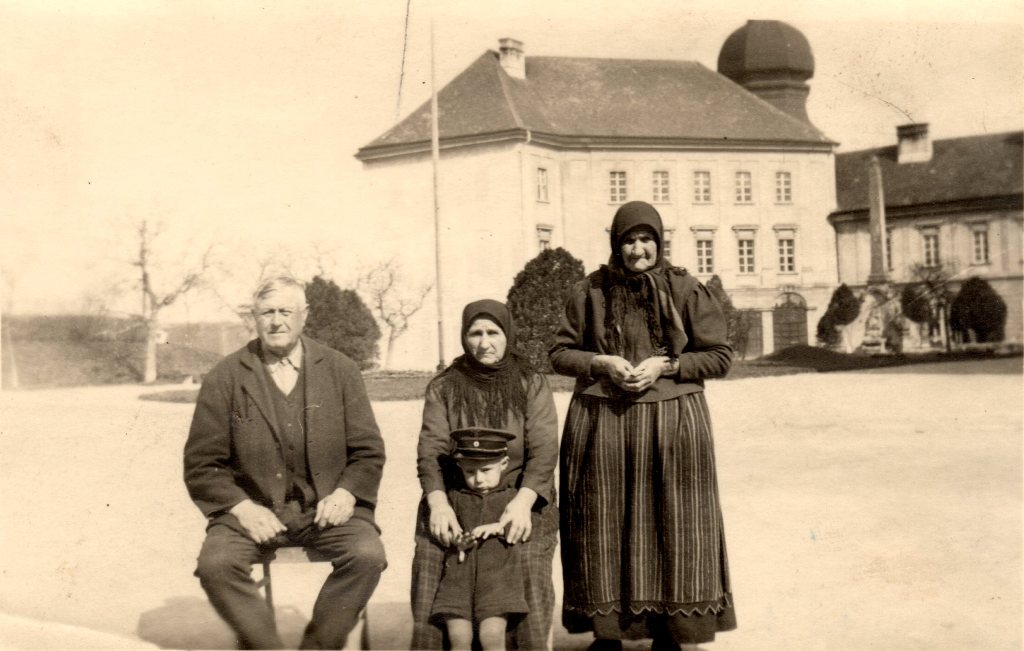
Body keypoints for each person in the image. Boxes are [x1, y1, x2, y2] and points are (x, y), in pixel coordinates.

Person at [550, 201, 736, 650]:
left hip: (673, 423)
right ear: (617, 243)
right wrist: (601, 361)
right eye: (629, 241)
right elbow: (558, 353)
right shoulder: (589, 291)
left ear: (659, 241)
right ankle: (607, 632)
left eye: (646, 240)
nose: (638, 250)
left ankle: (673, 632)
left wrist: (666, 365)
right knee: (601, 523)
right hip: (601, 424)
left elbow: (720, 356)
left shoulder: (686, 288)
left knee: (674, 521)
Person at [183, 275, 387, 650]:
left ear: (304, 316)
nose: (276, 321)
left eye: (285, 311)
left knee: (367, 555)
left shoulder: (340, 370)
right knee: (216, 566)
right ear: (254, 318)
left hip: (324, 508)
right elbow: (202, 465)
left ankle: (318, 646)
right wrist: (242, 508)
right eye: (267, 312)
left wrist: (345, 493)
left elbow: (368, 451)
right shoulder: (225, 376)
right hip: (252, 511)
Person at [413, 299, 559, 650]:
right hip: (456, 497)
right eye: (474, 333)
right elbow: (430, 451)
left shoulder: (530, 383)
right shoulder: (444, 386)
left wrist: (523, 503)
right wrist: (439, 503)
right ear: (464, 337)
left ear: (507, 335)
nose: (484, 342)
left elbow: (544, 451)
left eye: (493, 332)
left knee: (527, 566)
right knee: (431, 564)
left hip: (519, 497)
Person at [431, 427, 530, 651]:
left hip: (497, 585)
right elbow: (446, 533)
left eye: (486, 470)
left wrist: (499, 527)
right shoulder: (454, 498)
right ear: (460, 468)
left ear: (504, 464)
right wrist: (458, 539)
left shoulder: (512, 500)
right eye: (470, 472)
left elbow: (524, 530)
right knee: (459, 640)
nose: (478, 479)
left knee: (492, 638)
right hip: (457, 585)